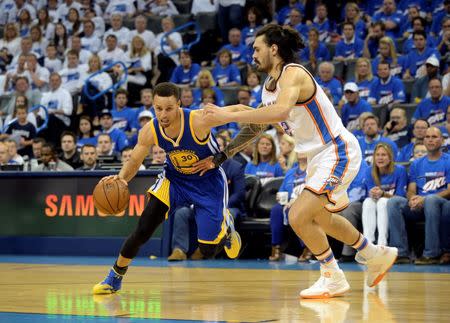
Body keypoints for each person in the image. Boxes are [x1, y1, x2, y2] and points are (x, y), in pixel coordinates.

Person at [196, 24, 397, 299]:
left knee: (297, 215)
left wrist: (227, 115)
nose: (252, 54)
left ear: (274, 49)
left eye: (257, 49)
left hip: (336, 149)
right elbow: (257, 124)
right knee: (321, 218)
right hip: (318, 156)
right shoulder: (268, 87)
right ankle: (374, 254)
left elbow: (280, 111)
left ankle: (332, 275)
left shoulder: (293, 73)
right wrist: (221, 155)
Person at [92, 82, 243, 294]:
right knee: (143, 228)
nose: (163, 114)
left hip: (207, 182)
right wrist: (122, 180)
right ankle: (114, 277)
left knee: (207, 249)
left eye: (169, 108)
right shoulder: (150, 129)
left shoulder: (199, 120)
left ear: (179, 105)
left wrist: (272, 112)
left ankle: (226, 227)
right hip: (175, 180)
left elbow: (242, 112)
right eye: (158, 108)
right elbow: (134, 160)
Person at [387, 127, 450, 265]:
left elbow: (449, 190)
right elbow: (411, 189)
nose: (430, 140)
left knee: (432, 200)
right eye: (427, 137)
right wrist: (412, 199)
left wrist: (425, 199)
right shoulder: (417, 163)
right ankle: (400, 253)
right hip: (420, 205)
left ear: (442, 140)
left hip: (442, 204)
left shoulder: (448, 161)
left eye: (434, 137)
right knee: (394, 202)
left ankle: (431, 254)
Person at [362, 143, 407, 246]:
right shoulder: (369, 171)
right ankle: (368, 244)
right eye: (377, 155)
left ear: (390, 157)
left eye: (383, 155)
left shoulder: (400, 170)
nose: (380, 158)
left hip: (398, 204)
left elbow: (401, 197)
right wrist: (373, 194)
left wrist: (383, 194)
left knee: (382, 202)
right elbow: (368, 194)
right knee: (368, 202)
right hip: (376, 203)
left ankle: (382, 243)